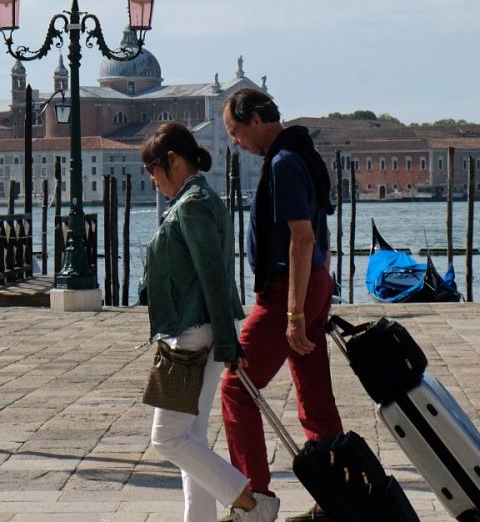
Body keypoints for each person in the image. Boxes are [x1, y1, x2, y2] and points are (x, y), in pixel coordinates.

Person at [140, 123, 279, 522]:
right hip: (199, 330)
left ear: (174, 160)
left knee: (166, 438)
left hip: (194, 335)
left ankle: (251, 503)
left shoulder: (193, 205)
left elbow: (214, 275)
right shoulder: (199, 199)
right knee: (191, 438)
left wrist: (228, 342)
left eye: (153, 168)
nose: (151, 178)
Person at [218, 90, 342, 519]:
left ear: (254, 118)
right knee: (314, 392)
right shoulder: (298, 152)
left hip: (292, 289)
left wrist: (292, 314)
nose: (235, 142)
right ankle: (335, 499)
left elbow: (302, 238)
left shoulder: (284, 163)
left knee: (237, 386)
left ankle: (255, 499)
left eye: (235, 132)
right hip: (316, 283)